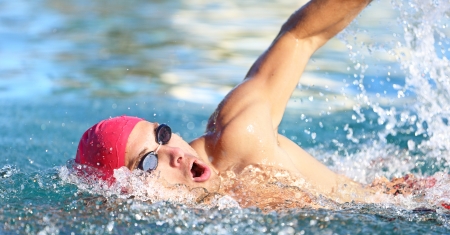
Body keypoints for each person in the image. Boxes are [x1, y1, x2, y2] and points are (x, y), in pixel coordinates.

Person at [76, 0, 428, 209]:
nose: (175, 153)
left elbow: (299, 37)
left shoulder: (239, 139)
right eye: (148, 161)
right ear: (128, 194)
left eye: (163, 135)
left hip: (412, 204)